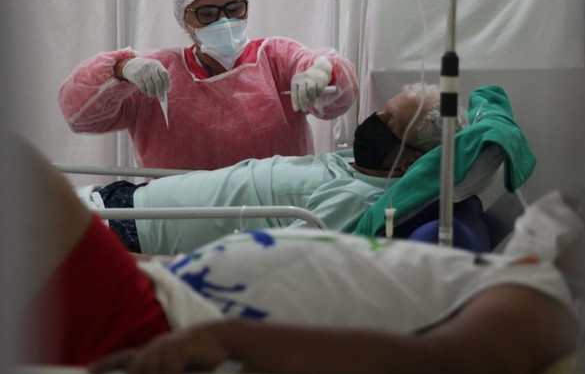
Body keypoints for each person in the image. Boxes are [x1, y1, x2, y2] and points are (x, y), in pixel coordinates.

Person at [17, 139, 582, 374]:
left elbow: (444, 372)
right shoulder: (505, 274)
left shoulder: (540, 299)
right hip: (157, 311)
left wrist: (230, 339)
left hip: (157, 361)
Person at [90, 83, 474, 255]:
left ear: (409, 158)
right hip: (129, 200)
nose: (375, 120)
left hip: (134, 234)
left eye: (390, 122)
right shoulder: (354, 165)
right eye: (383, 110)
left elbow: (270, 260)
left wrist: (143, 266)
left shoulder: (358, 198)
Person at [58, 0, 360, 170]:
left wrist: (323, 71)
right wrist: (121, 69)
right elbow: (79, 115)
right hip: (181, 221)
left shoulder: (275, 58)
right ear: (184, 19)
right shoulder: (155, 72)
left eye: (234, 8)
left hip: (277, 215)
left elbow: (337, 102)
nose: (224, 21)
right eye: (207, 14)